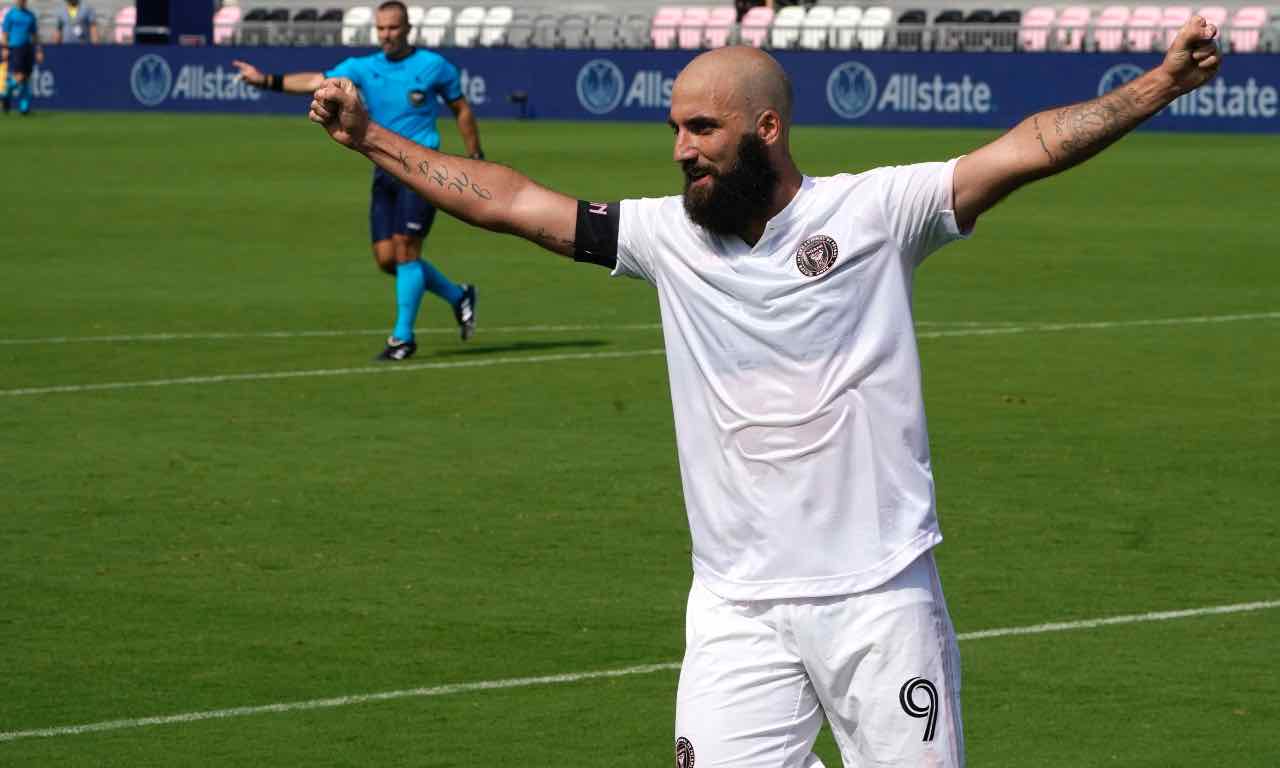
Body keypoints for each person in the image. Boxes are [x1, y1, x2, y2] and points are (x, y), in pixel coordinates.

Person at [309, 19, 1220, 767]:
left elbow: (1024, 151)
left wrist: (1159, 85)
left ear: (766, 129)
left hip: (879, 596)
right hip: (736, 605)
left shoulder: (876, 210)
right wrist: (370, 140)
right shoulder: (666, 238)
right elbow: (511, 202)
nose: (680, 151)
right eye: (675, 129)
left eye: (702, 129)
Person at [233, 0, 482, 361]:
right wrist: (265, 80)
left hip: (424, 169)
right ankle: (459, 296)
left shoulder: (434, 66)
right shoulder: (362, 67)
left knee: (407, 251)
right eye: (381, 29)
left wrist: (475, 158)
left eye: (393, 28)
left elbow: (461, 109)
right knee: (387, 259)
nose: (387, 35)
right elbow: (317, 81)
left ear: (408, 28)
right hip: (384, 169)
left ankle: (402, 338)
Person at [1, 0, 42, 116]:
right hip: (15, 48)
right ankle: (5, 94)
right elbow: (5, 33)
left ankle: (24, 108)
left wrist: (38, 50)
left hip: (27, 48)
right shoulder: (11, 14)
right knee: (19, 77)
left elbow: (34, 35)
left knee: (26, 79)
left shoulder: (30, 15)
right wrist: (4, 48)